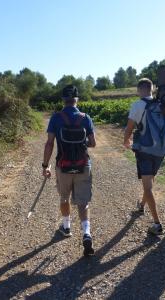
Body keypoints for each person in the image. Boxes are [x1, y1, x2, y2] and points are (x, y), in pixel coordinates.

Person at [42, 85, 96, 256]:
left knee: (64, 198)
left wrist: (45, 166)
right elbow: (93, 143)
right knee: (83, 202)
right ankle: (86, 233)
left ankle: (66, 227)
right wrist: (82, 144)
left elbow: (50, 143)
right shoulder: (85, 118)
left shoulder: (56, 118)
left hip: (63, 167)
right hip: (82, 165)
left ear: (63, 100)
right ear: (77, 100)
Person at [123, 78, 165, 235]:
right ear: (152, 89)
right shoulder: (163, 104)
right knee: (149, 180)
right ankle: (141, 205)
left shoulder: (138, 105)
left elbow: (130, 127)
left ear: (139, 90)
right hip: (161, 150)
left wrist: (126, 141)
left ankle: (157, 223)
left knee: (147, 186)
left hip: (145, 150)